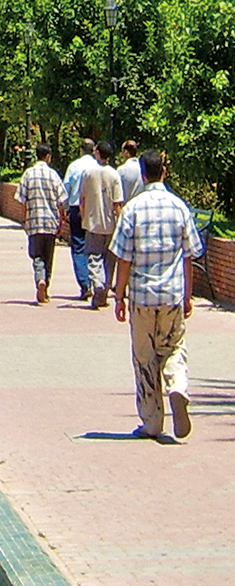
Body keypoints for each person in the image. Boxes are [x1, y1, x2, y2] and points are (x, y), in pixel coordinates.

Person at [110, 149, 203, 440]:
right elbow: (189, 256)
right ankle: (178, 387)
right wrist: (188, 295)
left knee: (144, 358)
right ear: (163, 171)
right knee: (174, 347)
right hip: (172, 295)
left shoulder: (133, 210)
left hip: (142, 297)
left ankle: (152, 421)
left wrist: (119, 295)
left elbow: (123, 258)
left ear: (143, 173)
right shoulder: (179, 207)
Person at [15, 143, 67, 304]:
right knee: (48, 257)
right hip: (51, 223)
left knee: (37, 256)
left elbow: (22, 200)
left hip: (34, 222)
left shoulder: (28, 175)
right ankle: (46, 286)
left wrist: (24, 219)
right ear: (48, 157)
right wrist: (61, 220)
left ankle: (40, 280)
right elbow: (61, 201)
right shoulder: (54, 175)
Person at [79, 140, 124, 308]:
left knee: (93, 255)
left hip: (92, 222)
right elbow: (117, 203)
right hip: (110, 224)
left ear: (97, 153)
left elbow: (82, 198)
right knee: (109, 260)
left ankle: (97, 282)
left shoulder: (88, 173)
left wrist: (84, 217)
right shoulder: (114, 174)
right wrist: (120, 225)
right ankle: (103, 293)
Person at [62, 138, 98, 301]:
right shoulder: (98, 167)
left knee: (78, 246)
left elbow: (66, 189)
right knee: (95, 247)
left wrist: (65, 209)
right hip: (94, 210)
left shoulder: (74, 166)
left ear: (81, 150)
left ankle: (85, 284)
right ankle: (97, 281)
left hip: (77, 209)